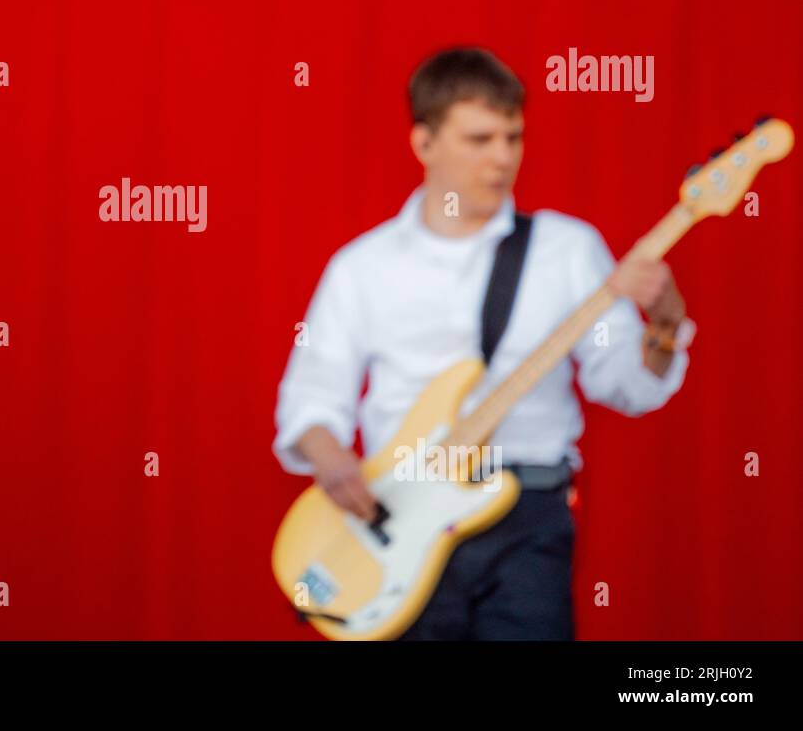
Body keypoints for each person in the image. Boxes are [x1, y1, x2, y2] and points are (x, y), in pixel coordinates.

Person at [273, 47, 694, 640]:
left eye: (513, 137)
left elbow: (625, 386)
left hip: (526, 519)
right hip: (397, 515)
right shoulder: (363, 267)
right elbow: (311, 396)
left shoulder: (567, 251)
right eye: (480, 139)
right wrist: (331, 459)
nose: (502, 158)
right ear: (424, 144)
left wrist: (665, 328)